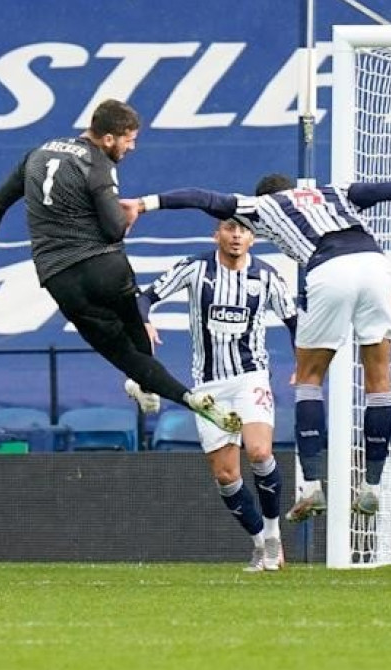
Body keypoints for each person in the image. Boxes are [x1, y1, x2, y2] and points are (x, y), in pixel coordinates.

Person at [123, 174, 391, 522]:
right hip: (376, 266)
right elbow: (377, 190)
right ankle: (372, 487)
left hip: (330, 269)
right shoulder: (330, 191)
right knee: (379, 381)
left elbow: (202, 195)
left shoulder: (262, 206)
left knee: (310, 380)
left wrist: (144, 204)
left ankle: (312, 487)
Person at [0, 99, 234, 431]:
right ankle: (155, 385)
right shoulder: (97, 164)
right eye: (129, 139)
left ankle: (185, 397)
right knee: (137, 337)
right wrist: (126, 215)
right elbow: (113, 228)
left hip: (59, 276)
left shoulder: (37, 154)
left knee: (123, 353)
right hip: (105, 268)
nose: (132, 146)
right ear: (108, 138)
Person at [135, 218, 298, 571]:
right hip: (208, 386)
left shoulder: (267, 276)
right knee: (226, 475)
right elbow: (146, 297)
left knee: (259, 450)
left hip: (249, 376)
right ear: (217, 234)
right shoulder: (196, 268)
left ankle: (273, 537)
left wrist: (304, 363)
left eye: (243, 230)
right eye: (229, 228)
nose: (237, 235)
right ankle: (258, 543)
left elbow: (294, 321)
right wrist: (145, 320)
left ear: (254, 238)